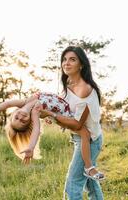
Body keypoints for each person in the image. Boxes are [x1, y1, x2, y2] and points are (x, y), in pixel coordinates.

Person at [0, 91, 104, 180]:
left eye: (16, 117)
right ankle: (89, 167)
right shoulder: (35, 112)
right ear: (29, 122)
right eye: (23, 121)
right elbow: (36, 131)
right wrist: (31, 147)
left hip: (64, 103)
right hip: (65, 115)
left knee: (86, 122)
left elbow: (7, 103)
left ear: (14, 113)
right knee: (85, 134)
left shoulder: (24, 102)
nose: (21, 117)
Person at [40, 46, 104, 199]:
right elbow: (63, 110)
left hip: (90, 140)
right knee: (89, 182)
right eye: (64, 59)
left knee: (73, 184)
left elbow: (76, 124)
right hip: (81, 139)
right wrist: (52, 116)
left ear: (81, 65)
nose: (66, 63)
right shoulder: (69, 84)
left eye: (72, 60)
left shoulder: (84, 89)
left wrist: (51, 114)